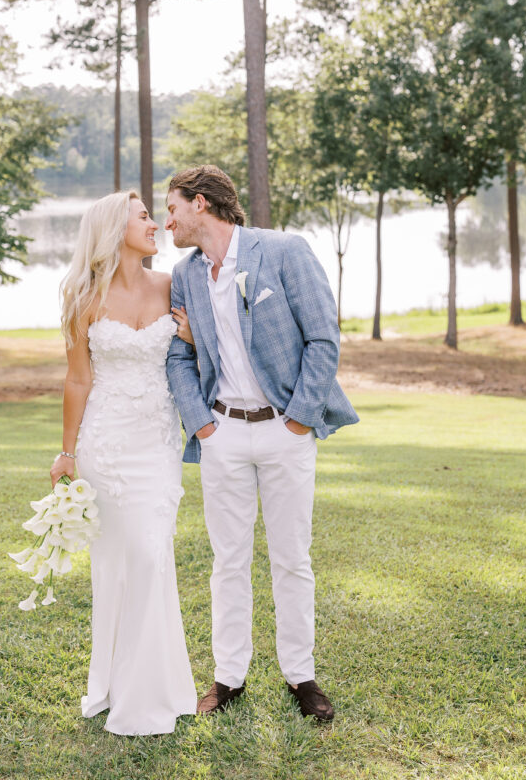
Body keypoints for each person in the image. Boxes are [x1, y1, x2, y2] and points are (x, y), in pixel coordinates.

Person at [165, 165, 359, 721]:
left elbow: (323, 336)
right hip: (221, 433)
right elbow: (180, 355)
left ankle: (301, 676)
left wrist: (299, 417)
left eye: (173, 207)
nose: (168, 220)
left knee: (291, 558)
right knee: (227, 561)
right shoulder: (185, 274)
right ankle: (229, 678)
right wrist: (201, 422)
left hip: (284, 430)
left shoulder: (284, 252)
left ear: (200, 204)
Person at [51, 191, 197, 736]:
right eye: (143, 217)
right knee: (119, 566)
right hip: (106, 448)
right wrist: (67, 453)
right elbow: (78, 379)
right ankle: (117, 689)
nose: (156, 223)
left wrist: (192, 339)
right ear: (115, 229)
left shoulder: (172, 286)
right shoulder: (83, 296)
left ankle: (155, 691)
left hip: (158, 444)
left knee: (151, 556)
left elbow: (199, 355)